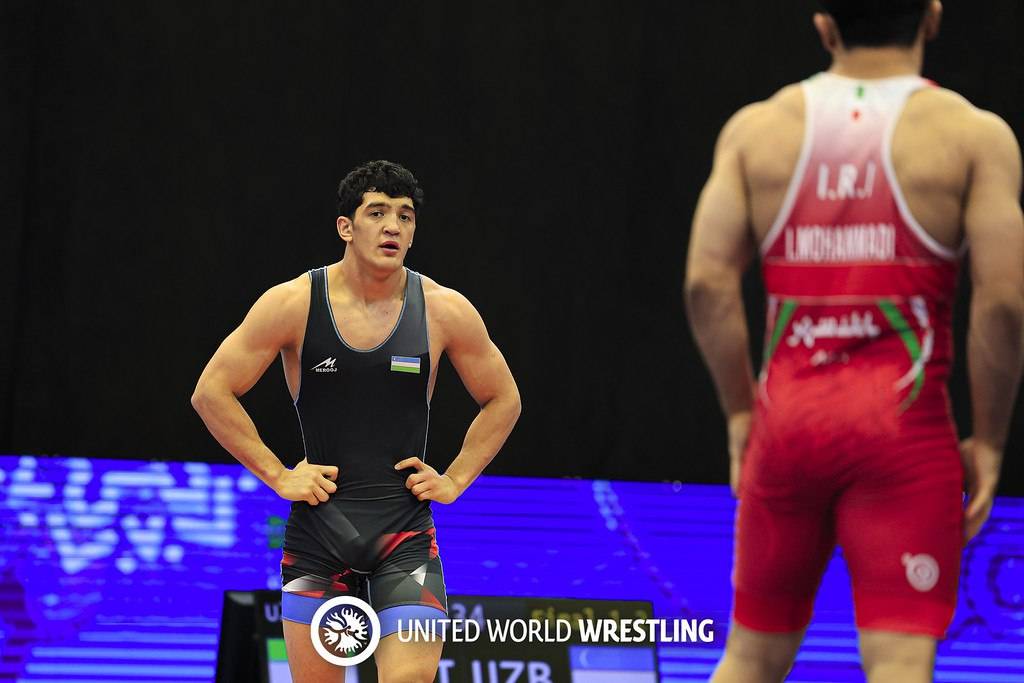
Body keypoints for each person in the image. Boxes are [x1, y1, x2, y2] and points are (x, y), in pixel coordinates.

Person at [685, 2, 1023, 682]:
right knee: (898, 662)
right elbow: (1004, 306)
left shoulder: (757, 132)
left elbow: (705, 285)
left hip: (788, 427)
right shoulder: (973, 136)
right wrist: (989, 440)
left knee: (749, 657)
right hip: (903, 436)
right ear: (932, 17)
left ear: (825, 26)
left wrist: (741, 413)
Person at [191, 160, 522, 682]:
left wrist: (456, 479)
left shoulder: (444, 310)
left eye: (405, 216)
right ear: (346, 227)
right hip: (319, 540)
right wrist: (278, 475)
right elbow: (211, 392)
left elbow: (503, 399)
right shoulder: (293, 303)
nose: (394, 226)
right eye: (378, 213)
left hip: (405, 539)